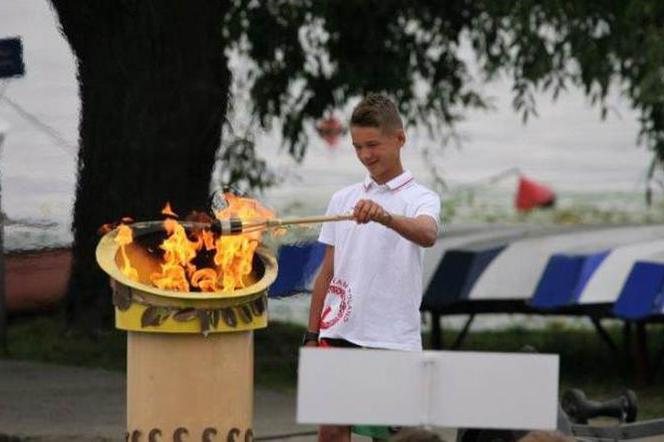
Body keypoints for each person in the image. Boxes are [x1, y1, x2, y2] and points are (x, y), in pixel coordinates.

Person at [303, 93, 441, 442]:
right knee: (332, 432)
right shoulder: (343, 200)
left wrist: (386, 217)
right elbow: (328, 272)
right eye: (357, 147)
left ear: (400, 139)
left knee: (397, 436)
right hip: (338, 332)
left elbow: (427, 234)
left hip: (392, 336)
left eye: (373, 145)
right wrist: (311, 333)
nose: (366, 155)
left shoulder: (421, 198)